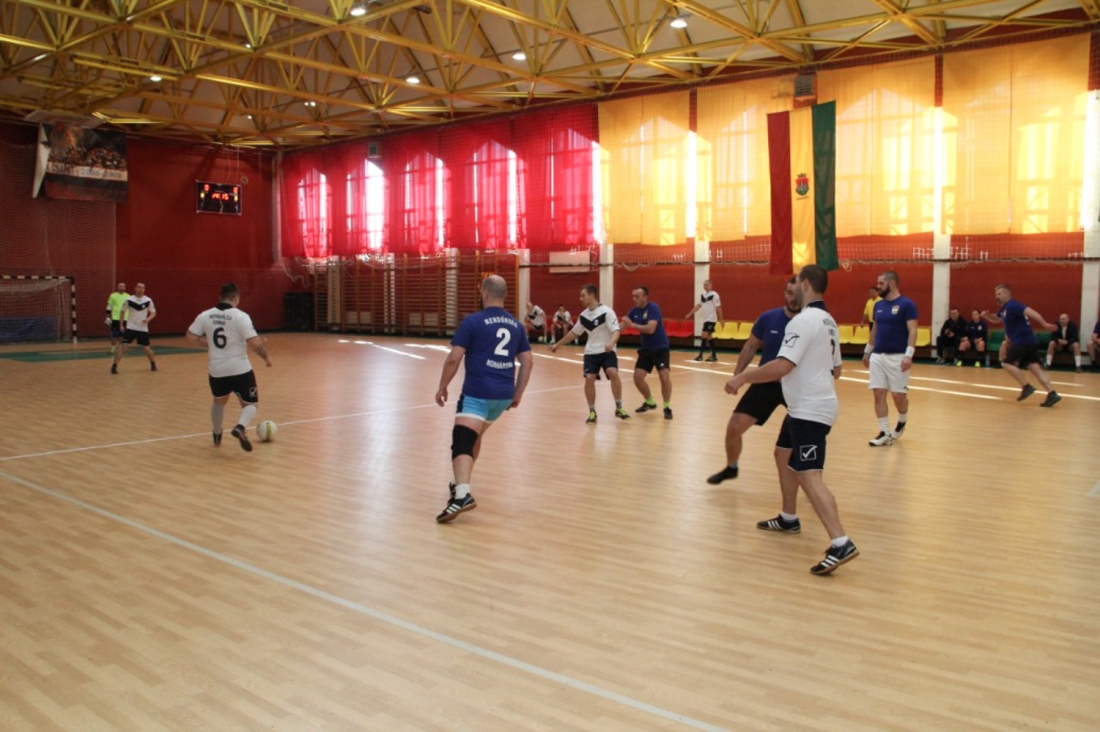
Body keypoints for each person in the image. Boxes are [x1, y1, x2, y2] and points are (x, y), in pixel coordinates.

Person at [724, 264, 858, 576]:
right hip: (805, 407)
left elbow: (781, 366)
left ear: (806, 284)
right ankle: (788, 518)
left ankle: (841, 541)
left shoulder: (803, 320)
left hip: (811, 410)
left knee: (809, 475)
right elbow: (837, 370)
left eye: (796, 282)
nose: (792, 287)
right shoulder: (828, 321)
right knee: (783, 453)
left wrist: (742, 377)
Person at [434, 275, 533, 523]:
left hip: (478, 392)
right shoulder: (516, 325)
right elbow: (527, 361)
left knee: (462, 440)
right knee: (474, 436)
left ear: (484, 293)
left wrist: (442, 386)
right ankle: (459, 483)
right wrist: (518, 393)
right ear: (505, 295)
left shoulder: (473, 321)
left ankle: (462, 495)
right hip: (502, 396)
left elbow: (454, 358)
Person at [708, 277, 799, 485]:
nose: (792, 298)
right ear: (784, 293)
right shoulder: (768, 318)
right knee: (734, 427)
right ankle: (731, 467)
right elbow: (750, 347)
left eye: (796, 294)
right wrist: (737, 375)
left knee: (804, 435)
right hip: (766, 382)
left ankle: (809, 476)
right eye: (788, 292)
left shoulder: (809, 322)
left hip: (796, 386)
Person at [185, 282, 272, 452]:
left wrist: (207, 345)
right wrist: (266, 357)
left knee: (219, 401)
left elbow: (190, 337)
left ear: (220, 297)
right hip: (240, 369)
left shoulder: (205, 315)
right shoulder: (241, 316)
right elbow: (254, 343)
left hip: (217, 370)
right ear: (235, 298)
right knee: (251, 404)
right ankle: (240, 427)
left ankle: (217, 433)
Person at [550, 284, 630, 423]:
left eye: (583, 295)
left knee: (612, 372)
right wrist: (558, 344)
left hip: (607, 350)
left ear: (592, 295)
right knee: (589, 378)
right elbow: (573, 333)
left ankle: (619, 407)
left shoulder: (607, 312)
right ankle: (592, 411)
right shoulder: (583, 316)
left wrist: (611, 343)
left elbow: (616, 331)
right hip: (591, 352)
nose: (580, 298)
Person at [863, 271, 917, 446]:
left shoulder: (907, 304)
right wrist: (867, 351)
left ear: (892, 283)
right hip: (878, 356)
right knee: (878, 393)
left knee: (898, 396)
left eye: (881, 283)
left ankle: (902, 421)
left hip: (898, 357)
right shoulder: (878, 305)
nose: (878, 286)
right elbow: (875, 329)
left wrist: (908, 355)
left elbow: (913, 330)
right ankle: (884, 432)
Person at [981, 284, 1060, 406]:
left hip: (1023, 340)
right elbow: (996, 319)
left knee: (1006, 363)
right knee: (1034, 367)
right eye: (996, 294)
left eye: (999, 294)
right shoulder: (1004, 309)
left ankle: (1026, 386)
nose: (997, 296)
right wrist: (986, 316)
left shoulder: (1013, 305)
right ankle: (1052, 393)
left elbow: (1032, 313)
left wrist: (1044, 324)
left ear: (1006, 294)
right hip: (1029, 341)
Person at [622, 286, 673, 419]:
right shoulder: (634, 311)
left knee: (664, 375)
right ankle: (649, 402)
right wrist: (610, 329)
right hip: (646, 349)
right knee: (637, 377)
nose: (634, 299)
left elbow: (651, 329)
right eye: (633, 296)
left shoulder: (653, 308)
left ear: (645, 297)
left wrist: (632, 325)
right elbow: (623, 326)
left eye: (637, 296)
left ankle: (667, 407)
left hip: (660, 348)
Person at [111, 282, 157, 373]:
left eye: (142, 288)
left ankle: (153, 363)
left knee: (146, 348)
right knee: (123, 346)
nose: (141, 289)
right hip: (131, 327)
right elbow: (122, 311)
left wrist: (148, 319)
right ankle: (114, 366)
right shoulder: (129, 300)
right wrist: (121, 325)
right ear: (135, 288)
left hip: (142, 329)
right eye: (139, 287)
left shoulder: (148, 300)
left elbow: (153, 313)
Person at [684, 279, 724, 362]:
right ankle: (714, 355)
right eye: (704, 285)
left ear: (711, 286)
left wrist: (721, 320)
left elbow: (718, 307)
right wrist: (689, 314)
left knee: (703, 335)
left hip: (711, 319)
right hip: (706, 319)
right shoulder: (703, 295)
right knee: (709, 337)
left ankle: (700, 355)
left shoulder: (714, 295)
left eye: (707, 285)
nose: (705, 286)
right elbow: (698, 306)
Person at [104, 281, 128, 354]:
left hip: (125, 319)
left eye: (123, 286)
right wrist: (107, 317)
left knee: (122, 335)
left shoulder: (128, 296)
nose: (122, 287)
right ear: (117, 287)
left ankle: (121, 348)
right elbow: (109, 306)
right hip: (115, 318)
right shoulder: (113, 296)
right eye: (120, 286)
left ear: (125, 288)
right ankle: (113, 348)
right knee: (114, 334)